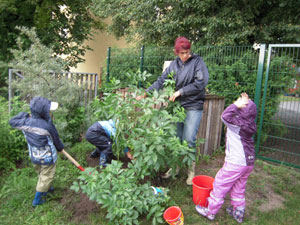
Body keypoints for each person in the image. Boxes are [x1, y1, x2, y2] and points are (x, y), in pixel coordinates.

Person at [136, 36, 209, 185]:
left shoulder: (197, 62)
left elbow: (201, 83)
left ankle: (191, 171)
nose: (185, 56)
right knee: (176, 139)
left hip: (193, 106)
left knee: (189, 140)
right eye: (182, 53)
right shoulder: (174, 65)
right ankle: (175, 168)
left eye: (187, 52)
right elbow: (161, 81)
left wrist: (180, 91)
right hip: (177, 107)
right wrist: (147, 92)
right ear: (176, 53)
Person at [195, 93, 257, 223]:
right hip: (249, 162)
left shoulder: (237, 124)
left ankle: (210, 211)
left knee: (220, 183)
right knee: (239, 187)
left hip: (236, 162)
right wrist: (242, 103)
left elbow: (224, 116)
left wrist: (235, 105)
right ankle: (238, 212)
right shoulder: (250, 124)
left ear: (241, 111)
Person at [9, 97, 64, 207]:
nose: (49, 112)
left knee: (41, 173)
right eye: (48, 110)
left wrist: (25, 114)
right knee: (47, 175)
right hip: (48, 157)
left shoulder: (25, 122)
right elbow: (56, 140)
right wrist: (60, 148)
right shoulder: (48, 126)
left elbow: (12, 121)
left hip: (34, 156)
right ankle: (37, 200)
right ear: (43, 112)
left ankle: (46, 186)